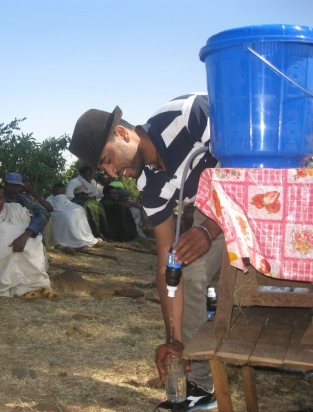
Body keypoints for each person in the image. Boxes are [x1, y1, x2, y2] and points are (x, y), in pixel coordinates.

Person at [69, 94, 221, 412]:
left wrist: (210, 228)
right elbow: (168, 263)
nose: (110, 172)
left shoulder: (188, 115)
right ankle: (201, 387)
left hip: (260, 201)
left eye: (108, 159)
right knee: (184, 265)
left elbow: (245, 165)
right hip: (218, 219)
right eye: (102, 168)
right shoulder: (151, 187)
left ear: (123, 134)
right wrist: (173, 338)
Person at [0, 183, 54, 299]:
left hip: (19, 245)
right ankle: (21, 287)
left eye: (0, 198)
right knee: (7, 233)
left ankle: (36, 284)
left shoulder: (14, 209)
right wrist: (10, 237)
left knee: (34, 239)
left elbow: (38, 220)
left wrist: (25, 235)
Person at [44, 183, 99, 249]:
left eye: (62, 194)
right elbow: (53, 210)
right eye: (58, 194)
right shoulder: (49, 200)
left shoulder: (65, 198)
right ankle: (72, 240)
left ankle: (84, 237)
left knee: (80, 209)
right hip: (60, 212)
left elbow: (69, 204)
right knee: (66, 215)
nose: (60, 196)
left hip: (66, 209)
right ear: (53, 192)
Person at [3, 172, 52, 237]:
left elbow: (44, 210)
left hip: (24, 232)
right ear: (5, 185)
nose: (14, 189)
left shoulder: (22, 199)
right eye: (11, 185)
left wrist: (30, 231)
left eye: (17, 186)